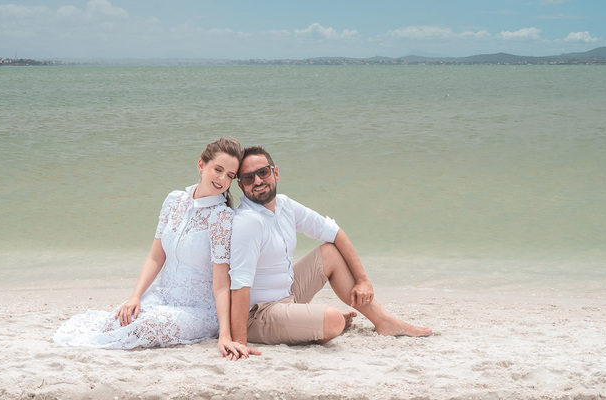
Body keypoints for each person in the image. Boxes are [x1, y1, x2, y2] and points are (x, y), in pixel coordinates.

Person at [54, 138, 259, 360]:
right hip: (162, 295)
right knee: (116, 320)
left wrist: (225, 335)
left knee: (144, 327)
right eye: (217, 169)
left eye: (229, 175)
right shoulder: (174, 200)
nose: (222, 179)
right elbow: (155, 257)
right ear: (201, 165)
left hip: (198, 310)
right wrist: (135, 296)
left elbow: (221, 284)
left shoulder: (221, 217)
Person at [228, 146, 432, 347]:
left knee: (330, 253)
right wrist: (239, 342)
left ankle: (384, 322)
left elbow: (335, 233)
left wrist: (363, 281)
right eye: (248, 178)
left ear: (276, 173)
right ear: (241, 185)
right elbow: (238, 284)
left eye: (263, 173)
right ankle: (312, 325)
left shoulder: (284, 205)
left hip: (287, 295)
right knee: (334, 319)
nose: (257, 181)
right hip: (257, 314)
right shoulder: (248, 222)